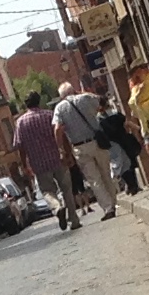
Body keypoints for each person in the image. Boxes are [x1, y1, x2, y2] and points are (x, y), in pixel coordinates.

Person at [50, 80, 118, 220]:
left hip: (80, 147)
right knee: (106, 173)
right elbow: (102, 102)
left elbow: (57, 129)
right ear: (73, 90)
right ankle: (113, 202)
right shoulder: (85, 97)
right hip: (97, 141)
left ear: (62, 96)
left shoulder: (60, 108)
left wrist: (61, 148)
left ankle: (108, 207)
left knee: (94, 179)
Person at [12, 94, 77, 230]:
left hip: (39, 164)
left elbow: (20, 147)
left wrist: (25, 165)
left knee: (47, 191)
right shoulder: (50, 115)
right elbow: (62, 134)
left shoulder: (21, 122)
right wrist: (68, 153)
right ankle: (74, 219)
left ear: (26, 105)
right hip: (58, 159)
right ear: (39, 101)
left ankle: (57, 207)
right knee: (66, 189)